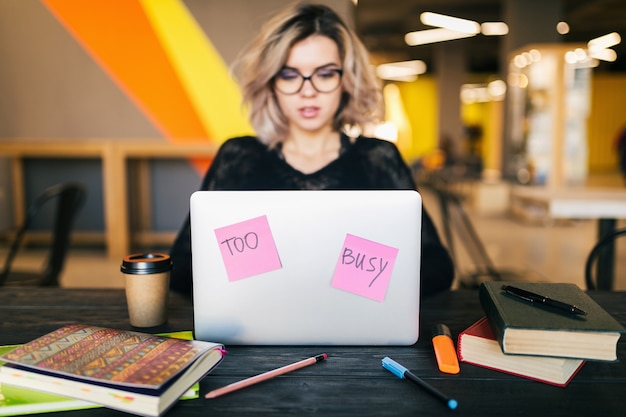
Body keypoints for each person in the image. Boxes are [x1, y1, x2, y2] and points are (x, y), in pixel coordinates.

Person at [169, 2, 454, 297]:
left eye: (325, 73)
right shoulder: (239, 157)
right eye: (290, 75)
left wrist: (348, 282)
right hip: (257, 325)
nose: (308, 90)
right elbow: (181, 268)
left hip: (354, 327)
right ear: (271, 83)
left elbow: (437, 267)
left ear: (347, 80)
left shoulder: (378, 159)